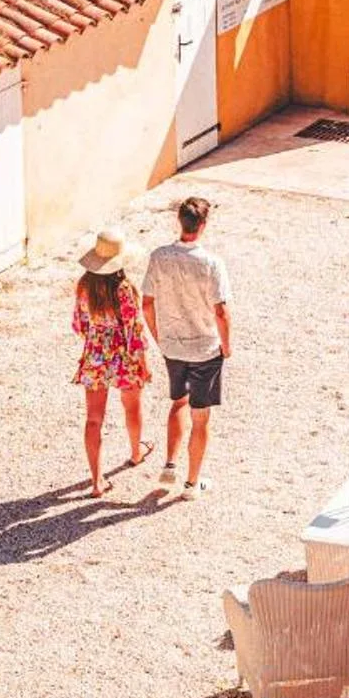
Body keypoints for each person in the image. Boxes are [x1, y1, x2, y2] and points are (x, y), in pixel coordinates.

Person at [142, 196, 231, 500]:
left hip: (173, 346)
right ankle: (192, 484)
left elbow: (147, 303)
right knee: (201, 416)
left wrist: (159, 337)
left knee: (178, 401)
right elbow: (221, 312)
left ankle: (169, 463)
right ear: (203, 225)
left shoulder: (159, 257)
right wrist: (227, 346)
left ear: (179, 221)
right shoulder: (211, 263)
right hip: (205, 348)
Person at [73, 235, 151, 495]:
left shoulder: (83, 287)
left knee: (94, 419)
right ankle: (136, 452)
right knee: (132, 407)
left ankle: (96, 481)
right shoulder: (124, 289)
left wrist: (97, 339)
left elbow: (79, 325)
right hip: (124, 354)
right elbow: (135, 330)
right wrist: (143, 364)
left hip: (96, 353)